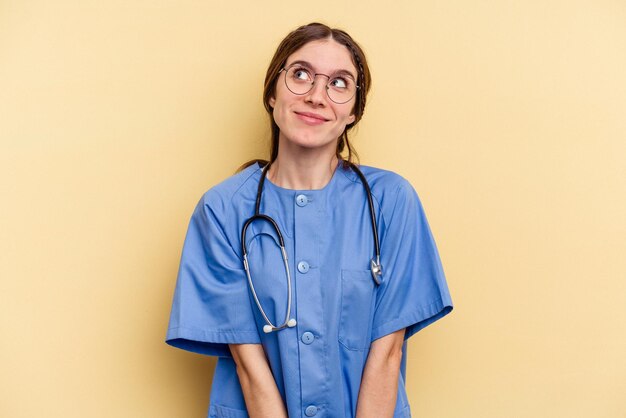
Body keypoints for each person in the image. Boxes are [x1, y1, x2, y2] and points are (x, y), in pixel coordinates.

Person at [166, 22, 453, 418]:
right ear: (272, 92)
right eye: (300, 75)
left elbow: (388, 352)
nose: (317, 96)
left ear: (353, 110)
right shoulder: (223, 210)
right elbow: (249, 368)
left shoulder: (391, 202)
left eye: (338, 83)